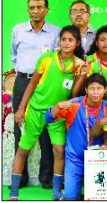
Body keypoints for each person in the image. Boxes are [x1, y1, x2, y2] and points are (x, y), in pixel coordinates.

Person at [9, 26, 84, 200]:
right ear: (59, 40)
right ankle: (13, 191)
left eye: (70, 40)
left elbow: (73, 94)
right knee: (23, 149)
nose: (66, 43)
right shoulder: (47, 58)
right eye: (63, 39)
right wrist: (21, 108)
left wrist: (82, 76)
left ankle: (57, 191)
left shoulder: (79, 65)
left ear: (76, 43)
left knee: (59, 149)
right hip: (35, 110)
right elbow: (32, 84)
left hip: (58, 113)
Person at [9, 0, 60, 189]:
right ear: (28, 9)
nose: (36, 11)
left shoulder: (55, 32)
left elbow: (56, 60)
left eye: (40, 7)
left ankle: (46, 178)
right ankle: (19, 179)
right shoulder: (18, 30)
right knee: (19, 126)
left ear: (46, 10)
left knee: (47, 127)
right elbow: (14, 56)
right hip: (23, 81)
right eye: (32, 7)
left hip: (46, 84)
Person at [47, 73, 107, 200]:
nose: (95, 92)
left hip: (97, 160)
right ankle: (60, 192)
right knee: (71, 197)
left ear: (105, 90)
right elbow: (49, 118)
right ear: (86, 90)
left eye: (99, 89)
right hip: (75, 159)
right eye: (92, 89)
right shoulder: (74, 104)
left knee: (98, 197)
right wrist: (59, 106)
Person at [73, 25, 107, 108]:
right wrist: (83, 75)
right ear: (96, 43)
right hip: (94, 108)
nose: (106, 43)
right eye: (102, 40)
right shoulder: (88, 61)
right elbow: (77, 93)